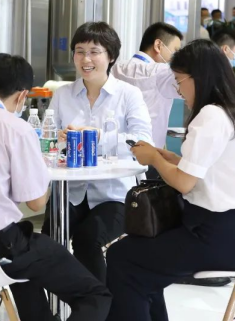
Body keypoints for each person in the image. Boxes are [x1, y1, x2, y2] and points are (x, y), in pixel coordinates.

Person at [0, 53, 112, 321]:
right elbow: (36, 203)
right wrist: (41, 169)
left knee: (31, 260)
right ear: (23, 96)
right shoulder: (16, 128)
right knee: (95, 295)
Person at [105, 39, 235, 321]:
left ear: (199, 77)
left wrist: (154, 159)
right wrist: (169, 157)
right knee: (141, 268)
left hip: (213, 237)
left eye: (180, 80)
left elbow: (184, 183)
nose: (179, 90)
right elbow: (214, 169)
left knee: (122, 256)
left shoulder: (211, 115)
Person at [43, 22, 153, 284]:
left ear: (111, 56)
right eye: (80, 52)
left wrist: (98, 136)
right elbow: (48, 142)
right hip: (70, 193)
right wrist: (59, 139)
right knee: (46, 243)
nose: (86, 59)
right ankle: (54, 303)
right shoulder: (63, 95)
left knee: (87, 240)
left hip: (115, 194)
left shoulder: (128, 94)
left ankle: (98, 303)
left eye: (94, 52)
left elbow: (143, 142)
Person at [113, 22, 182, 153]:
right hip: (149, 155)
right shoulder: (163, 72)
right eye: (175, 50)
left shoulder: (116, 68)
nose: (176, 57)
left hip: (117, 151)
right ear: (158, 45)